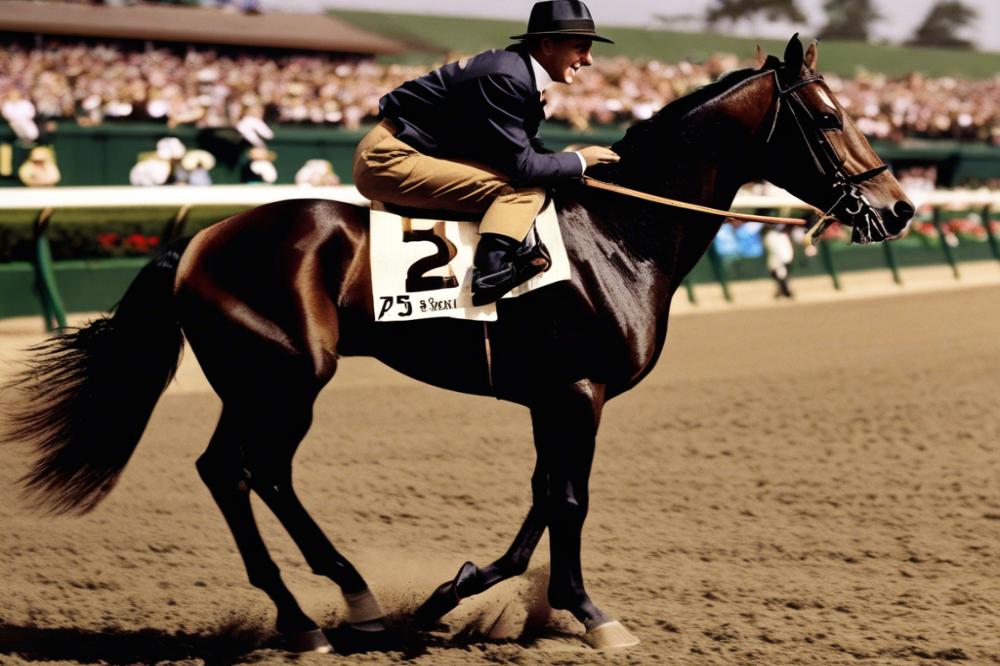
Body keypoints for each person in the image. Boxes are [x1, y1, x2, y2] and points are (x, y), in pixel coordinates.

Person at [353, 0, 620, 305]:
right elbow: (523, 168)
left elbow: (521, 151)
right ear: (547, 45)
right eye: (580, 48)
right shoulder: (508, 77)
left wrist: (574, 164)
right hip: (389, 159)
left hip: (408, 150)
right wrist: (580, 160)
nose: (588, 59)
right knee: (524, 192)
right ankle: (491, 273)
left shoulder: (516, 72)